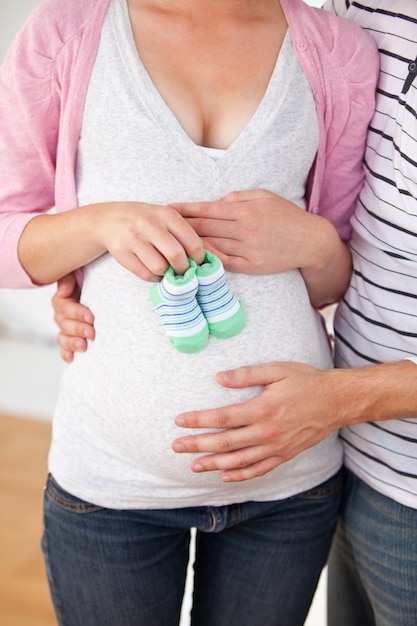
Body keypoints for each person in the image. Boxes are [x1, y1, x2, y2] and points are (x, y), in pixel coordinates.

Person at [0, 0, 378, 624]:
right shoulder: (66, 33)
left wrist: (312, 242)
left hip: (289, 485)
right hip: (113, 486)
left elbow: (332, 279)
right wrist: (99, 224)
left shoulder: (336, 51)